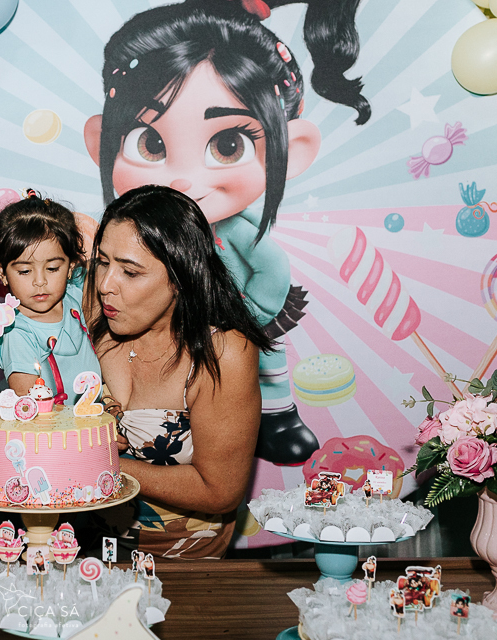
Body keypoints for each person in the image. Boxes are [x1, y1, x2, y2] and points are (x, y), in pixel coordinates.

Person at [83, 0, 370, 465]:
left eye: (228, 144)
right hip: (161, 348)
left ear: (292, 149)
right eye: (150, 143)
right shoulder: (127, 236)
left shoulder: (238, 233)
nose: (184, 179)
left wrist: (246, 314)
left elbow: (270, 267)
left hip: (235, 319)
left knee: (262, 358)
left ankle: (276, 418)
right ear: (101, 144)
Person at [85, 184, 272, 559]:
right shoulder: (92, 314)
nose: (105, 285)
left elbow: (219, 490)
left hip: (181, 560)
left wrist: (99, 463)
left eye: (130, 272)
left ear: (180, 277)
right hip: (77, 545)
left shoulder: (223, 352)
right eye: (103, 262)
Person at [0, 190, 99, 403]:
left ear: (71, 266)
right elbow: (30, 407)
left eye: (52, 268)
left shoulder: (76, 296)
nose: (40, 281)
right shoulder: (17, 333)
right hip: (53, 425)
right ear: (1, 271)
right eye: (25, 271)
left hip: (97, 418)